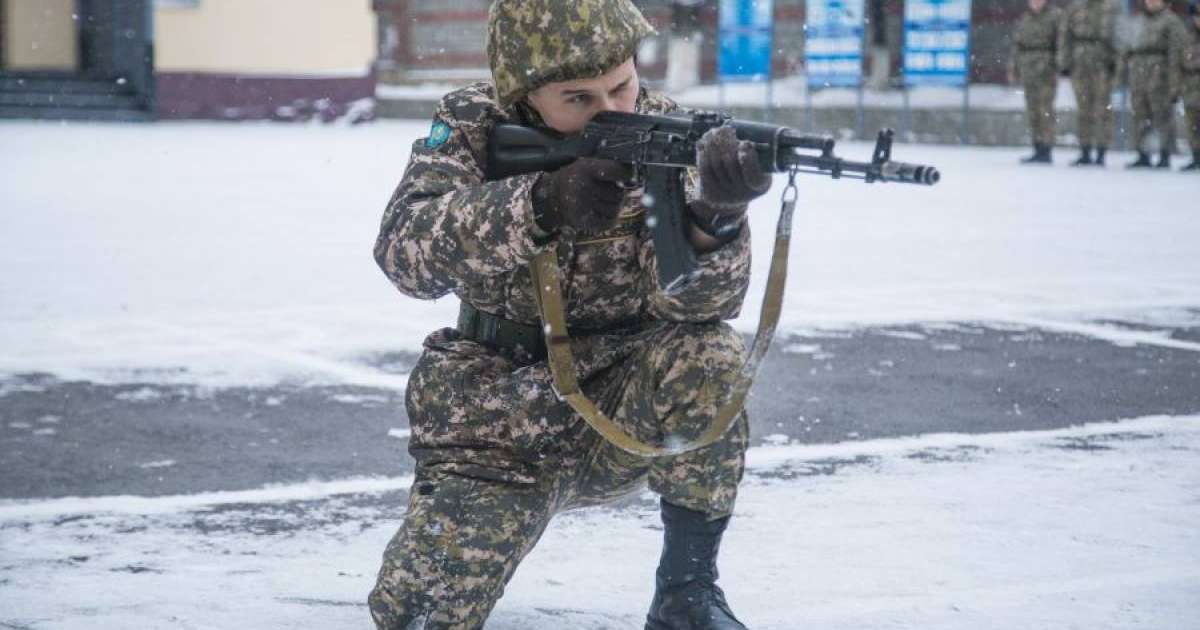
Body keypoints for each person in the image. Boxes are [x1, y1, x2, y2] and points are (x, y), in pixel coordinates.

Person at [367, 0, 772, 628]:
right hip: (494, 423)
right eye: (578, 99)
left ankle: (686, 593)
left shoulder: (667, 132)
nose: (611, 112)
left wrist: (716, 221)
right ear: (522, 95)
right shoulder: (474, 124)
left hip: (617, 405)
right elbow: (403, 254)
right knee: (418, 614)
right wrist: (539, 204)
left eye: (621, 86)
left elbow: (701, 307)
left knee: (710, 357)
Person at [1122, 0, 1189, 168]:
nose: (1150, 3)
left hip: (1160, 75)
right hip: (1139, 73)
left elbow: (1176, 54)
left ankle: (1164, 154)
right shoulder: (1139, 20)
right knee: (1140, 115)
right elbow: (1128, 47)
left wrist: (1175, 84)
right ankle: (1142, 153)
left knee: (1162, 116)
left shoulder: (1171, 21)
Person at [1059, 0, 1122, 166]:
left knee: (1102, 109)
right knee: (1083, 109)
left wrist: (1117, 63)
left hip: (1103, 63)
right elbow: (1066, 35)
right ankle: (1085, 150)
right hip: (1080, 64)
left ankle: (1101, 150)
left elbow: (1120, 37)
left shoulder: (1112, 7)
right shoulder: (1075, 7)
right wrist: (1064, 62)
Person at [1011, 0, 1065, 164]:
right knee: (1033, 109)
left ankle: (1046, 148)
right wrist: (1014, 67)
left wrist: (1059, 67)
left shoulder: (1055, 17)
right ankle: (1037, 146)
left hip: (1046, 69)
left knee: (1045, 110)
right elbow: (1017, 45)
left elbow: (1061, 44)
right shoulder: (1024, 19)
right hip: (1028, 69)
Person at [1180, 0, 1200, 170]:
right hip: (1191, 85)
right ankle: (1196, 156)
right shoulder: (1187, 35)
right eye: (1196, 16)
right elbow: (1179, 60)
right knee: (1192, 122)